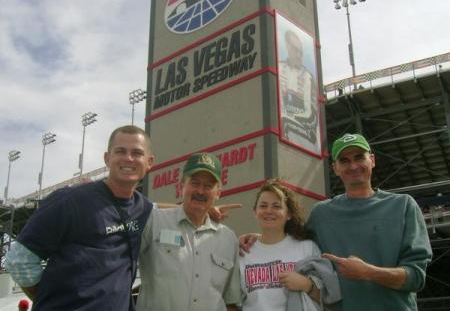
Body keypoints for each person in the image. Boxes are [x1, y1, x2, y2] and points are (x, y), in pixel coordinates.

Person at [241, 133, 433, 310]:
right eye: (344, 160)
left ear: (372, 160)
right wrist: (259, 238)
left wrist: (369, 272)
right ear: (335, 168)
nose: (353, 166)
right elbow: (292, 239)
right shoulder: (322, 213)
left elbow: (416, 277)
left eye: (359, 157)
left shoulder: (403, 206)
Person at [5, 125, 156, 310]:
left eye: (137, 153)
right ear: (107, 158)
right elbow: (19, 261)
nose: (128, 158)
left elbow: (164, 209)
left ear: (149, 162)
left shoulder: (142, 207)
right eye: (120, 151)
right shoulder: (69, 201)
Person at [137, 152, 241, 311]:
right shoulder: (154, 221)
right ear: (181, 187)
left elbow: (231, 302)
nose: (200, 191)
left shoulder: (229, 238)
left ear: (218, 193)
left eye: (208, 186)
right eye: (195, 183)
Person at [240, 179, 338, 311]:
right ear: (255, 212)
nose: (269, 211)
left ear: (289, 214)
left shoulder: (307, 248)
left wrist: (307, 285)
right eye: (263, 206)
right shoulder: (243, 252)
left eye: (276, 206)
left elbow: (331, 300)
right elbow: (233, 303)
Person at [279, 30, 317, 147]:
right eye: (296, 50)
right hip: (285, 120)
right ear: (287, 46)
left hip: (304, 124)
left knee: (283, 120)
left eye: (301, 52)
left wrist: (290, 116)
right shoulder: (279, 67)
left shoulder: (307, 77)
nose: (299, 55)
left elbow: (310, 113)